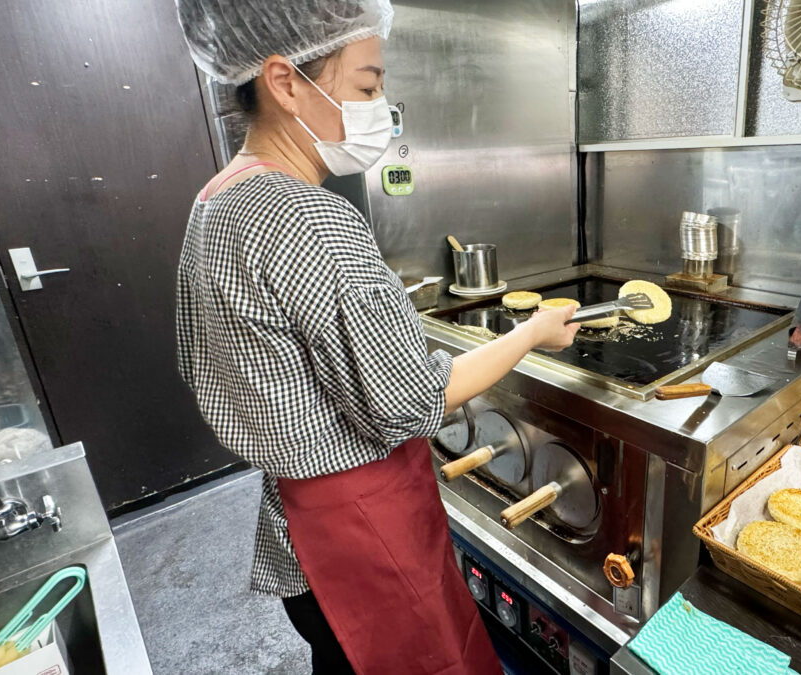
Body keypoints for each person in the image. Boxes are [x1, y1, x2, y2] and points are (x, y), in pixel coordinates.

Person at [173, 2, 579, 672]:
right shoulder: (307, 215)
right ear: (283, 81)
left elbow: (200, 364)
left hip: (298, 533)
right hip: (363, 538)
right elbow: (414, 401)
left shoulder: (216, 200)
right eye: (366, 86)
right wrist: (532, 331)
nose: (380, 106)